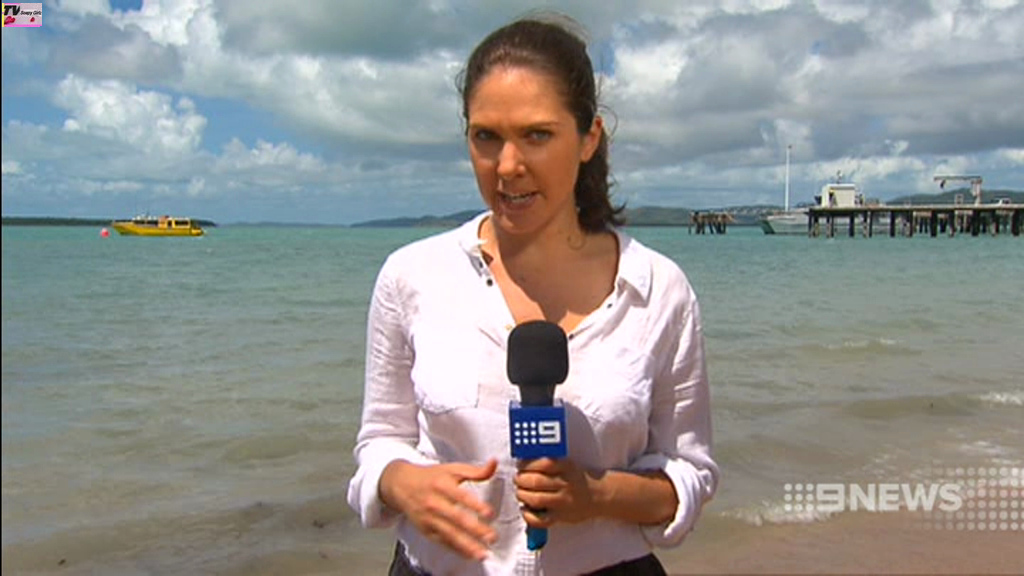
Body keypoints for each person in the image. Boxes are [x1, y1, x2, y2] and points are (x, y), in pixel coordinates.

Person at [347, 14, 717, 575]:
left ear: (589, 138)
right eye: (486, 137)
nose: (508, 166)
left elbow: (690, 472)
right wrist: (403, 483)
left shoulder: (658, 289)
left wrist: (598, 495)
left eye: (537, 135)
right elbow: (380, 442)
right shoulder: (412, 276)